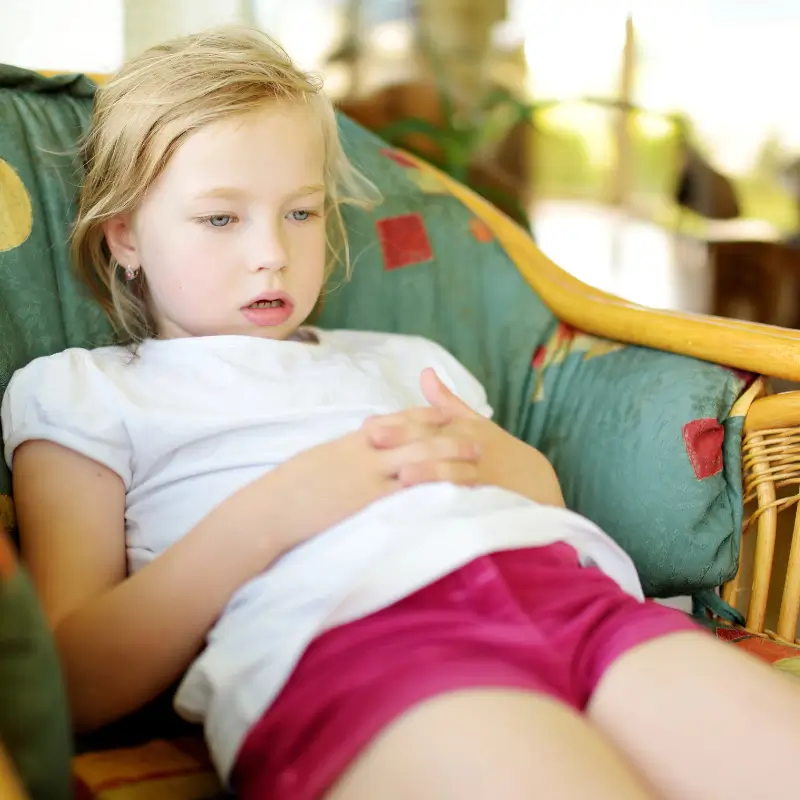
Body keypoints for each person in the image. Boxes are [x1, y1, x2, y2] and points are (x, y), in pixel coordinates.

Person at [2, 25, 798, 800]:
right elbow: (67, 682)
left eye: (302, 212)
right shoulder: (87, 391)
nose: (271, 252)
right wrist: (279, 510)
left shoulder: (404, 356)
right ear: (124, 237)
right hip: (357, 649)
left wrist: (521, 468)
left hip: (576, 602)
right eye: (220, 218)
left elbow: (527, 500)